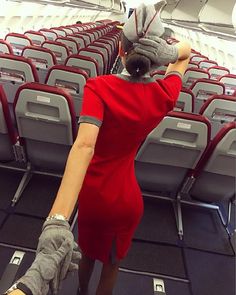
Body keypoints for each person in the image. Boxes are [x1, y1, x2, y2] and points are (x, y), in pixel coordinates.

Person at [5, 2, 191, 295]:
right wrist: (170, 53)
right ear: (158, 60)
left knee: (87, 255)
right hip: (127, 201)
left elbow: (84, 145)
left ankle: (80, 292)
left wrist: (57, 219)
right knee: (112, 264)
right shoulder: (162, 95)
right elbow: (186, 52)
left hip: (93, 194)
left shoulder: (98, 87)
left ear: (120, 49)